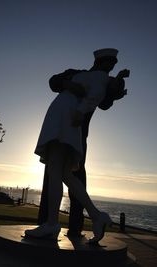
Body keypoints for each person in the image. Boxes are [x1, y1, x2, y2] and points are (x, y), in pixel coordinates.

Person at [25, 48, 130, 243]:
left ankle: (53, 224)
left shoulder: (102, 79)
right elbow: (54, 81)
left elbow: (103, 100)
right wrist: (69, 85)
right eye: (110, 63)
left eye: (113, 65)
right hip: (66, 124)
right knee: (65, 174)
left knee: (58, 172)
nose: (112, 67)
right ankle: (96, 216)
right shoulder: (78, 73)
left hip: (69, 125)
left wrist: (115, 86)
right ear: (100, 61)